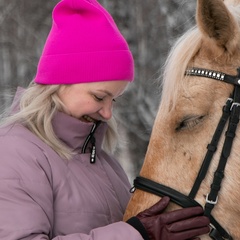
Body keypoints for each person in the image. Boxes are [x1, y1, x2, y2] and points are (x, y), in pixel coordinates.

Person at [0, 0, 210, 239]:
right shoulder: (13, 153)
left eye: (114, 100)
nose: (108, 113)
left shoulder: (102, 161)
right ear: (59, 82)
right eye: (100, 96)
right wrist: (137, 234)